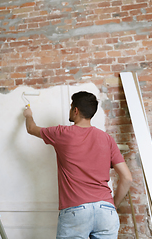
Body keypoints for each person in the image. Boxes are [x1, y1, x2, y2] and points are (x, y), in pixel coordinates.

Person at [23, 91, 132, 239]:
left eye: (71, 107)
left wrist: (28, 115)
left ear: (76, 110)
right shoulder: (107, 139)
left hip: (76, 211)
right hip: (106, 211)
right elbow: (127, 178)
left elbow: (31, 129)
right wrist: (112, 205)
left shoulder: (62, 133)